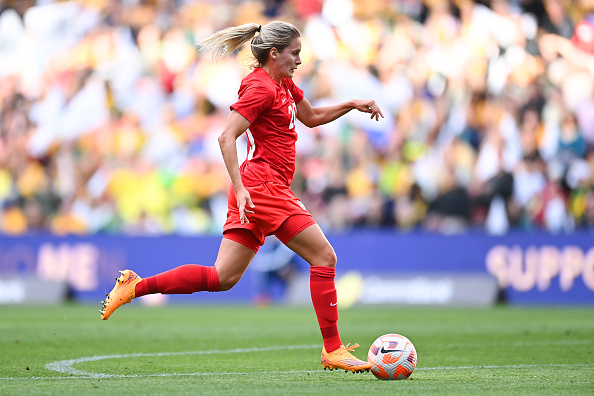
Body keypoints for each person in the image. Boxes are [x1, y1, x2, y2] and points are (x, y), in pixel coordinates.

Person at [100, 20, 384, 373]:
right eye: (295, 53)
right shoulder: (263, 89)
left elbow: (310, 117)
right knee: (325, 257)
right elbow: (225, 136)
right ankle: (333, 349)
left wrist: (351, 104)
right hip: (263, 188)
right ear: (274, 53)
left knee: (223, 277)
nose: (299, 60)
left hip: (259, 188)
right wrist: (239, 187)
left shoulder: (283, 84)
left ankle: (136, 286)